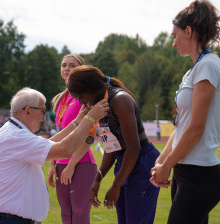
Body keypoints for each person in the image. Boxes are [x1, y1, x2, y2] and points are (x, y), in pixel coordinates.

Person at [149, 1, 220, 223]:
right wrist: (161, 163)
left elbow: (195, 129)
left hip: (200, 175)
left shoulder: (208, 65)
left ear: (189, 32)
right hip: (186, 173)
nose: (173, 43)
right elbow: (181, 126)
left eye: (175, 36)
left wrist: (168, 165)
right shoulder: (193, 71)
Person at [0, 87, 108, 224]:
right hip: (11, 220)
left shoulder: (14, 132)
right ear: (28, 111)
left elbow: (49, 143)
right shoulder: (16, 136)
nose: (45, 117)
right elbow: (65, 150)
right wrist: (90, 119)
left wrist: (77, 122)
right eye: (43, 111)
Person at [66, 65, 161, 224]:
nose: (81, 102)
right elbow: (111, 146)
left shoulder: (120, 100)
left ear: (90, 89)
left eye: (81, 97)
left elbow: (133, 147)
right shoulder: (101, 104)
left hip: (141, 162)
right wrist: (98, 178)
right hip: (125, 161)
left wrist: (116, 185)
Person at [47, 54, 97, 224]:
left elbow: (90, 136)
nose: (66, 68)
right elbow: (60, 134)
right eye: (64, 65)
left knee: (80, 214)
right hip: (61, 163)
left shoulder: (84, 98)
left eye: (72, 65)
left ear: (80, 70)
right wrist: (52, 165)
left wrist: (71, 164)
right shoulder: (61, 98)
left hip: (81, 163)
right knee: (66, 215)